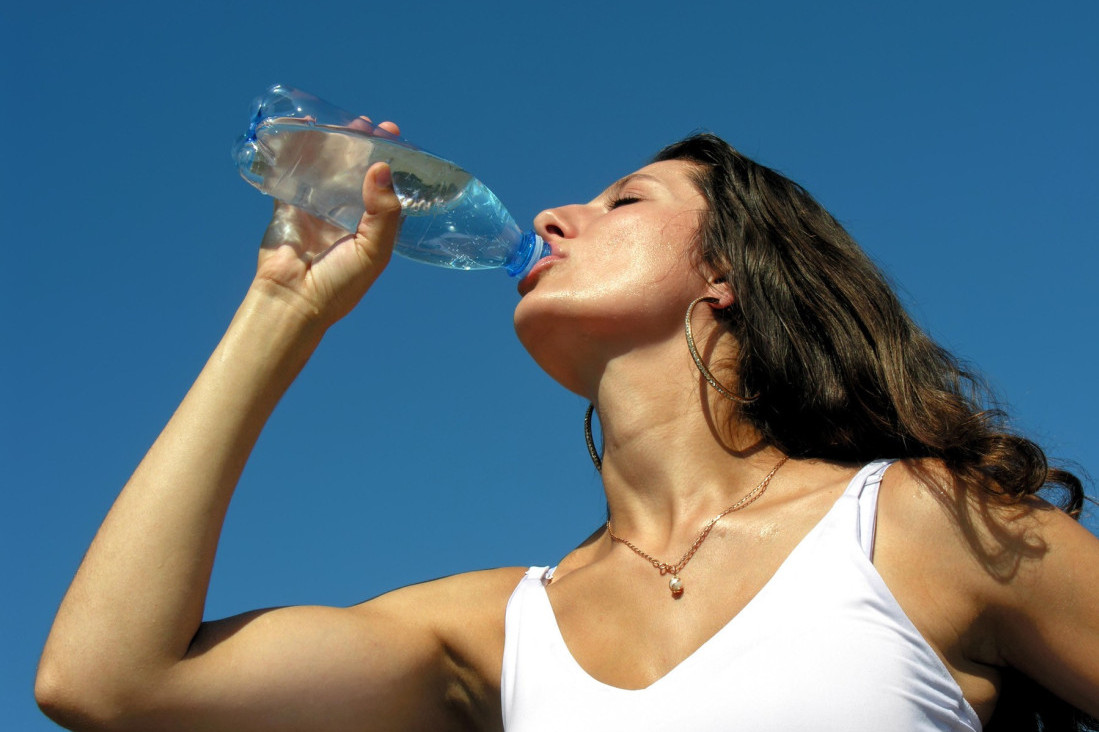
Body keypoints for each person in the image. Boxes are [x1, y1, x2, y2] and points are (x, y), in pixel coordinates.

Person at [35, 125, 1099, 731]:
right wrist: (282, 308)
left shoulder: (920, 524)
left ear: (730, 274)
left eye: (625, 201)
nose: (552, 217)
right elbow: (107, 683)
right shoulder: (499, 631)